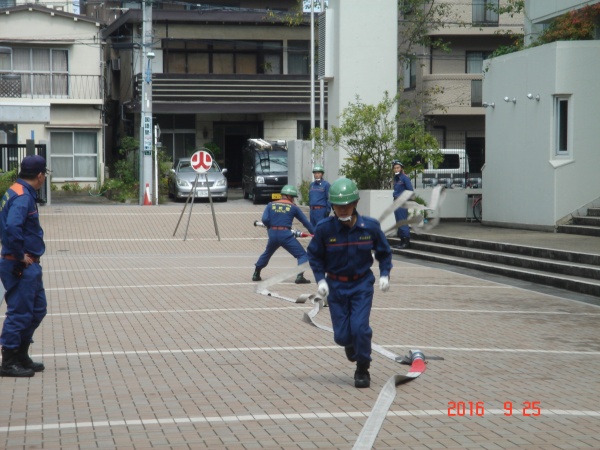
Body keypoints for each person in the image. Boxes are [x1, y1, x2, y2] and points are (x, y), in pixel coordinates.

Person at [307, 177, 392, 389]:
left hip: (361, 285)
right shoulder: (325, 229)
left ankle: (363, 367)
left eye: (346, 205)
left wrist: (384, 274)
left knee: (360, 328)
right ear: (332, 206)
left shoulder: (369, 227)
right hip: (336, 287)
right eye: (338, 206)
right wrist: (320, 279)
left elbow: (384, 252)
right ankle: (352, 345)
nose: (342, 209)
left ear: (355, 203)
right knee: (342, 336)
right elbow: (314, 255)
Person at [0, 155, 50, 377]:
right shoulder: (22, 197)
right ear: (39, 176)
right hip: (19, 265)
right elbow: (12, 227)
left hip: (28, 266)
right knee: (20, 312)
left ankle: (21, 354)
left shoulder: (17, 191)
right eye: (44, 174)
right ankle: (9, 361)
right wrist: (20, 255)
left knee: (38, 309)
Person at [252, 184, 315, 284]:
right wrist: (314, 234)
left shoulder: (270, 205)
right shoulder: (293, 207)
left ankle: (256, 273)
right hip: (285, 235)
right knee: (302, 255)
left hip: (273, 234)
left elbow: (265, 220)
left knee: (267, 253)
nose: (293, 200)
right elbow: (305, 222)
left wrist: (270, 226)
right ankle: (299, 276)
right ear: (288, 196)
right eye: (293, 197)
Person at [392, 160, 414, 249]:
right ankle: (401, 241)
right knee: (398, 221)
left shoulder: (405, 178)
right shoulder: (396, 178)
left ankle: (406, 242)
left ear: (401, 168)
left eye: (398, 167)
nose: (396, 169)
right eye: (395, 168)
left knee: (402, 221)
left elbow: (410, 191)